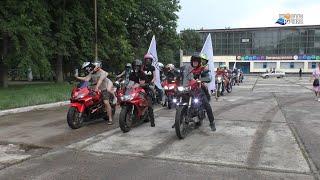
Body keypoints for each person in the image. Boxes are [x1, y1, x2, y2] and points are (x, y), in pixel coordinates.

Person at [190, 53, 216, 131]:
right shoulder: (188, 69)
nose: (194, 63)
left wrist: (202, 79)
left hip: (198, 89)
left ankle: (212, 122)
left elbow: (208, 77)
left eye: (196, 62)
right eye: (193, 61)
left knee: (207, 105)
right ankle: (179, 119)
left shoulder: (202, 69)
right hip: (189, 89)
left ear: (199, 62)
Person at [129, 59, 155, 127]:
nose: (136, 67)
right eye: (135, 66)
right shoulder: (131, 74)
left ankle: (152, 121)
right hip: (135, 89)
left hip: (145, 89)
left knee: (149, 105)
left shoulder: (142, 74)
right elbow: (130, 82)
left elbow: (141, 84)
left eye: (137, 66)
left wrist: (137, 85)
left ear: (140, 67)